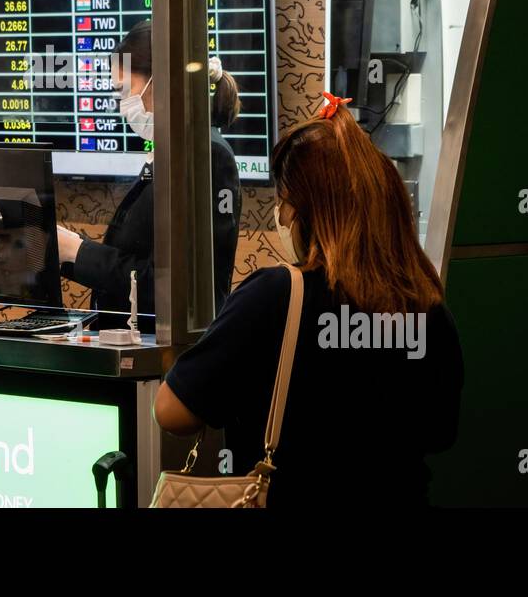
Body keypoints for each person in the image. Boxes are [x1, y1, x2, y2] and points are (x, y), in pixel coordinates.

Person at [154, 92, 463, 507]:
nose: (282, 217)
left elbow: (173, 412)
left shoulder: (276, 295)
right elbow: (442, 434)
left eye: (284, 203)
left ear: (308, 211)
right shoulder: (427, 307)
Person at [56, 18, 243, 332]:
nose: (123, 105)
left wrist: (79, 251)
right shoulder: (171, 151)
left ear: (162, 82)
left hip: (174, 354)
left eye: (125, 90)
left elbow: (173, 285)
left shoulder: (207, 156)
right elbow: (134, 260)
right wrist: (67, 254)